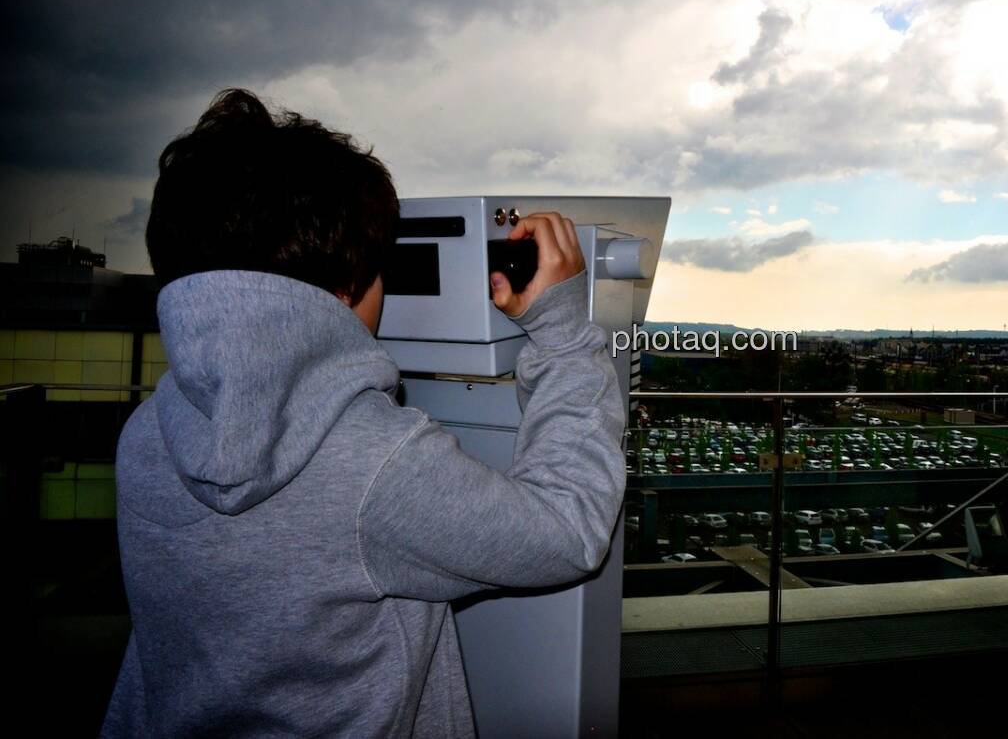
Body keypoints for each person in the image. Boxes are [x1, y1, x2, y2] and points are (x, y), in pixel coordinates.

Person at [101, 89, 625, 737]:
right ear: (349, 285)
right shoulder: (370, 463)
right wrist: (566, 333)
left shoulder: (147, 431)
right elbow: (568, 530)